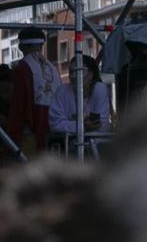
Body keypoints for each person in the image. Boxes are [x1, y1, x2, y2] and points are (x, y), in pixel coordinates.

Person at [6, 27, 56, 157]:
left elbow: (19, 105)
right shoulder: (52, 68)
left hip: (31, 130)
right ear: (42, 44)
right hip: (54, 129)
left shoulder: (22, 68)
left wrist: (13, 134)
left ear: (21, 46)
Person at [48, 53, 110, 149]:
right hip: (69, 148)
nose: (72, 76)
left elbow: (103, 125)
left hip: (95, 148)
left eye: (77, 71)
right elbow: (55, 124)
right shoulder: (61, 91)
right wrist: (82, 127)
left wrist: (75, 127)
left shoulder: (100, 90)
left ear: (90, 75)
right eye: (71, 72)